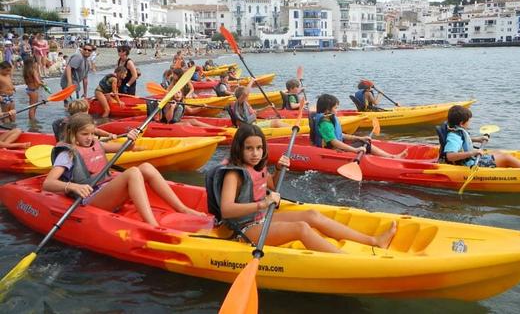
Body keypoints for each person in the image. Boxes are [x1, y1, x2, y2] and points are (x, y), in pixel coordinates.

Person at [206, 124, 396, 252]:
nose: (255, 153)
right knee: (301, 228)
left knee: (312, 215)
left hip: (261, 219)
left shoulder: (257, 166)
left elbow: (270, 183)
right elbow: (227, 209)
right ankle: (345, 260)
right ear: (239, 148)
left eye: (259, 148)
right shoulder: (234, 174)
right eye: (249, 148)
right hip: (243, 229)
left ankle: (373, 241)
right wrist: (263, 204)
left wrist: (279, 170)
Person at [43, 113, 206, 226]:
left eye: (92, 133)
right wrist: (73, 186)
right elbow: (48, 183)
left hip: (105, 188)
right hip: (90, 198)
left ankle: (182, 208)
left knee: (146, 168)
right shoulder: (67, 154)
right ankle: (152, 225)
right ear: (72, 134)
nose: (90, 138)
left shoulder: (97, 144)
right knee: (133, 172)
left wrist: (131, 138)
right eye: (85, 134)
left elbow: (128, 147)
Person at [310, 94, 407, 158]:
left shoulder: (329, 119)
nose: (337, 110)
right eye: (336, 108)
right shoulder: (325, 123)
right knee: (365, 145)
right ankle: (391, 157)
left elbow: (340, 135)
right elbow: (334, 142)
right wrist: (355, 150)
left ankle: (389, 157)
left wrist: (360, 137)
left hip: (336, 147)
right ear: (327, 110)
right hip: (331, 151)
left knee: (362, 141)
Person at [442, 105, 520, 168]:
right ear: (462, 123)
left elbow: (462, 141)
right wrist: (472, 153)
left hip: (472, 159)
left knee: (499, 152)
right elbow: (450, 156)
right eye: (468, 121)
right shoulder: (453, 136)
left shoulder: (457, 132)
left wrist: (478, 139)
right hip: (470, 164)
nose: (469, 123)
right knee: (506, 158)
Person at [52, 99, 117, 142]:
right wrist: (109, 136)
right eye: (87, 111)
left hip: (64, 144)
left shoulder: (62, 122)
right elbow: (95, 130)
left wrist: (109, 134)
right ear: (83, 113)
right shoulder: (81, 122)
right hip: (75, 146)